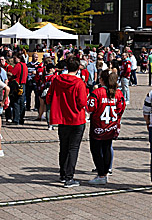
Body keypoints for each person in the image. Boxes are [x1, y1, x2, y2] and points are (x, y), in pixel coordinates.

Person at [46, 56, 89, 187]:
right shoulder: (79, 83)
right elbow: (82, 102)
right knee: (73, 148)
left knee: (63, 147)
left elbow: (48, 97)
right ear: (78, 68)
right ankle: (69, 178)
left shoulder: (57, 80)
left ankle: (63, 174)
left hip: (62, 118)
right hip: (76, 118)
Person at [87, 68, 126, 185]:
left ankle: (101, 175)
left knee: (96, 151)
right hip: (111, 126)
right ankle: (105, 172)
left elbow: (89, 108)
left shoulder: (97, 92)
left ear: (102, 80)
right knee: (107, 148)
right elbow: (121, 108)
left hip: (98, 126)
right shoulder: (118, 93)